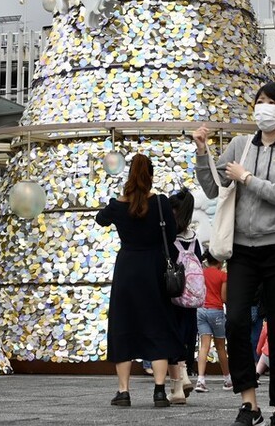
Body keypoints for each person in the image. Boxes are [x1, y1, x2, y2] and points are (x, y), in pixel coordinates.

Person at [194, 81, 275, 426]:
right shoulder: (240, 145)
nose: (263, 107)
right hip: (242, 248)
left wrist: (247, 178)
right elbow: (213, 188)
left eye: (270, 102)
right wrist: (202, 152)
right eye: (260, 101)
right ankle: (249, 402)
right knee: (235, 320)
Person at [96, 153, 183, 408]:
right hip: (154, 269)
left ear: (129, 175)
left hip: (127, 269)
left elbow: (100, 219)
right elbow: (172, 233)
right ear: (151, 175)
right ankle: (159, 391)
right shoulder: (160, 203)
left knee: (123, 325)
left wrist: (117, 202)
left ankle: (123, 391)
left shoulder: (118, 205)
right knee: (158, 325)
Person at [167, 188, 201, 404]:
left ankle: (179, 386)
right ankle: (185, 374)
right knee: (187, 336)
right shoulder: (195, 239)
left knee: (171, 337)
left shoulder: (170, 239)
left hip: (173, 295)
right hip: (191, 297)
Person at [195, 255, 229, 394]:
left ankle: (200, 380)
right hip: (216, 311)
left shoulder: (201, 273)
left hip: (201, 310)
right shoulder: (223, 276)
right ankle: (227, 379)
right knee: (220, 347)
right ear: (219, 261)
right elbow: (224, 298)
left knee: (204, 346)